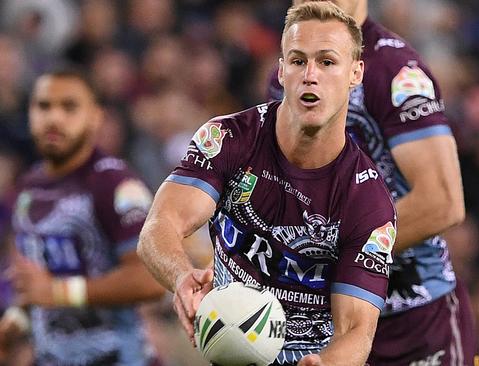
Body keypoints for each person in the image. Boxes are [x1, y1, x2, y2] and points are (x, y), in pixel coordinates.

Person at [137, 2, 396, 366]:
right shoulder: (229, 139)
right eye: (297, 60)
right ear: (281, 70)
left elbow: (356, 331)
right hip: (222, 348)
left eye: (327, 61)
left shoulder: (367, 202)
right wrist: (181, 276)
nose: (310, 75)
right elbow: (159, 226)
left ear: (356, 73)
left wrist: (327, 364)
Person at [268, 1, 477, 365]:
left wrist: (333, 255)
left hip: (411, 318)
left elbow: (441, 202)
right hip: (324, 324)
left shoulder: (395, 71)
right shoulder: (285, 73)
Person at [0, 68, 166, 365]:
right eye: (43, 106)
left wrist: (58, 291)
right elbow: (39, 284)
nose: (54, 118)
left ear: (95, 117)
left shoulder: (114, 183)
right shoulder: (28, 187)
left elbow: (150, 280)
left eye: (69, 107)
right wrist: (14, 324)